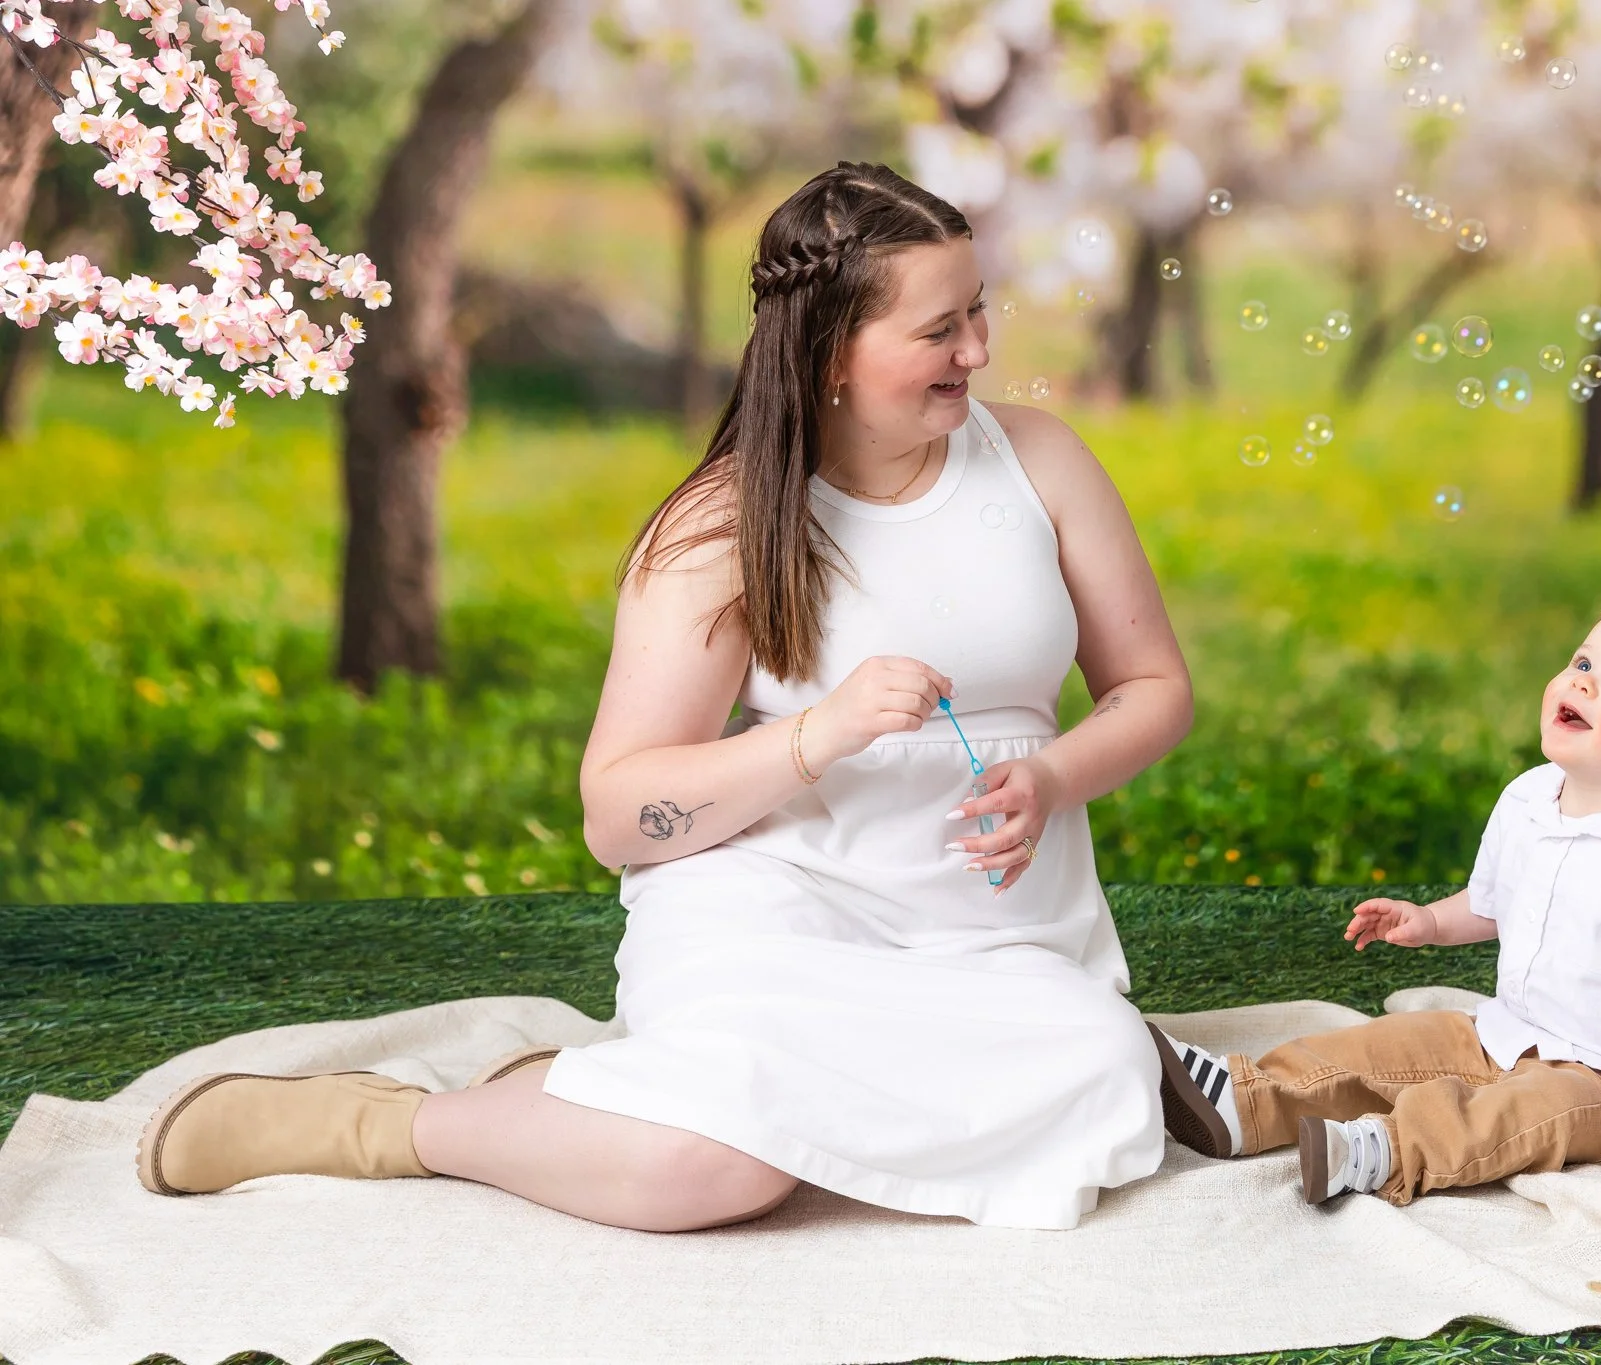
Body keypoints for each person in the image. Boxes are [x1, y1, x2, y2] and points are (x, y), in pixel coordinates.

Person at [136, 161, 1194, 1232]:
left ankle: (624, 1094)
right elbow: (616, 816)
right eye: (936, 332)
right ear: (831, 349)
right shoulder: (722, 527)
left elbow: (1151, 688)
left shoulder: (1038, 463)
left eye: (977, 312)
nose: (975, 350)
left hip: (990, 937)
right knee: (707, 1174)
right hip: (779, 909)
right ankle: (386, 1125)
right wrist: (816, 735)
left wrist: (1055, 776)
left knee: (1102, 1071)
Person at [1150, 599, 1601, 1207]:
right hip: (1503, 1032)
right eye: (1583, 661)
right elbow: (1494, 904)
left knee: (1514, 1116)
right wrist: (1433, 920)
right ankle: (1245, 1099)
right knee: (1390, 1045)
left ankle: (1380, 1151)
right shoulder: (1530, 798)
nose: (1583, 681)